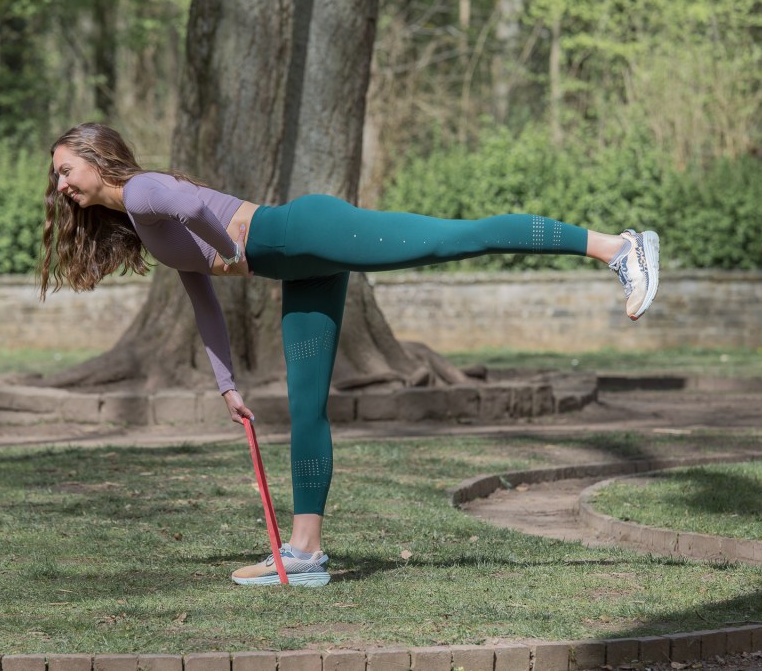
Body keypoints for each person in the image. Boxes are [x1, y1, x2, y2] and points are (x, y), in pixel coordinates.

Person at [40, 122, 660, 588]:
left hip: (303, 233)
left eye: (67, 170)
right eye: (59, 177)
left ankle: (616, 248)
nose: (63, 186)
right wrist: (226, 382)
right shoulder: (139, 218)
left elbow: (197, 208)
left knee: (452, 240)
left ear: (98, 159)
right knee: (307, 406)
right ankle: (304, 553)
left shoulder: (145, 189)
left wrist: (227, 246)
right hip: (299, 267)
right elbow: (199, 294)